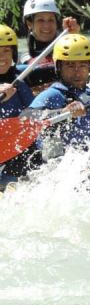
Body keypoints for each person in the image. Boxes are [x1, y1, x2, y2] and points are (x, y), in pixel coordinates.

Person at [23, 33, 90, 162]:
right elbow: (25, 118)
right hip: (64, 167)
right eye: (70, 66)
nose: (77, 72)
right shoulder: (53, 95)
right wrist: (63, 113)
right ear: (59, 67)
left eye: (83, 65)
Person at [20, 0, 80, 94]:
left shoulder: (69, 52)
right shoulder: (23, 60)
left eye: (51, 20)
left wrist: (74, 37)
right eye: (41, 20)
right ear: (29, 24)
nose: (46, 25)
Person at [0, 24, 37, 185]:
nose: (2, 57)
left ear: (14, 53)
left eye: (6, 50)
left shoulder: (22, 74)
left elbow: (60, 69)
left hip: (24, 149)